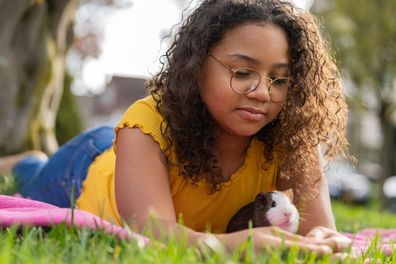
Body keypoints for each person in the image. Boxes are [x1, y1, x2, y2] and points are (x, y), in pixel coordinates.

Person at [0, 0, 352, 255]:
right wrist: (236, 246)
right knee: (34, 176)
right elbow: (156, 235)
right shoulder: (147, 122)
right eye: (242, 73)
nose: (263, 92)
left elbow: (320, 232)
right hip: (85, 170)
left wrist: (326, 242)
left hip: (123, 155)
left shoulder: (292, 136)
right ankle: (25, 160)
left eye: (280, 79)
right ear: (198, 66)